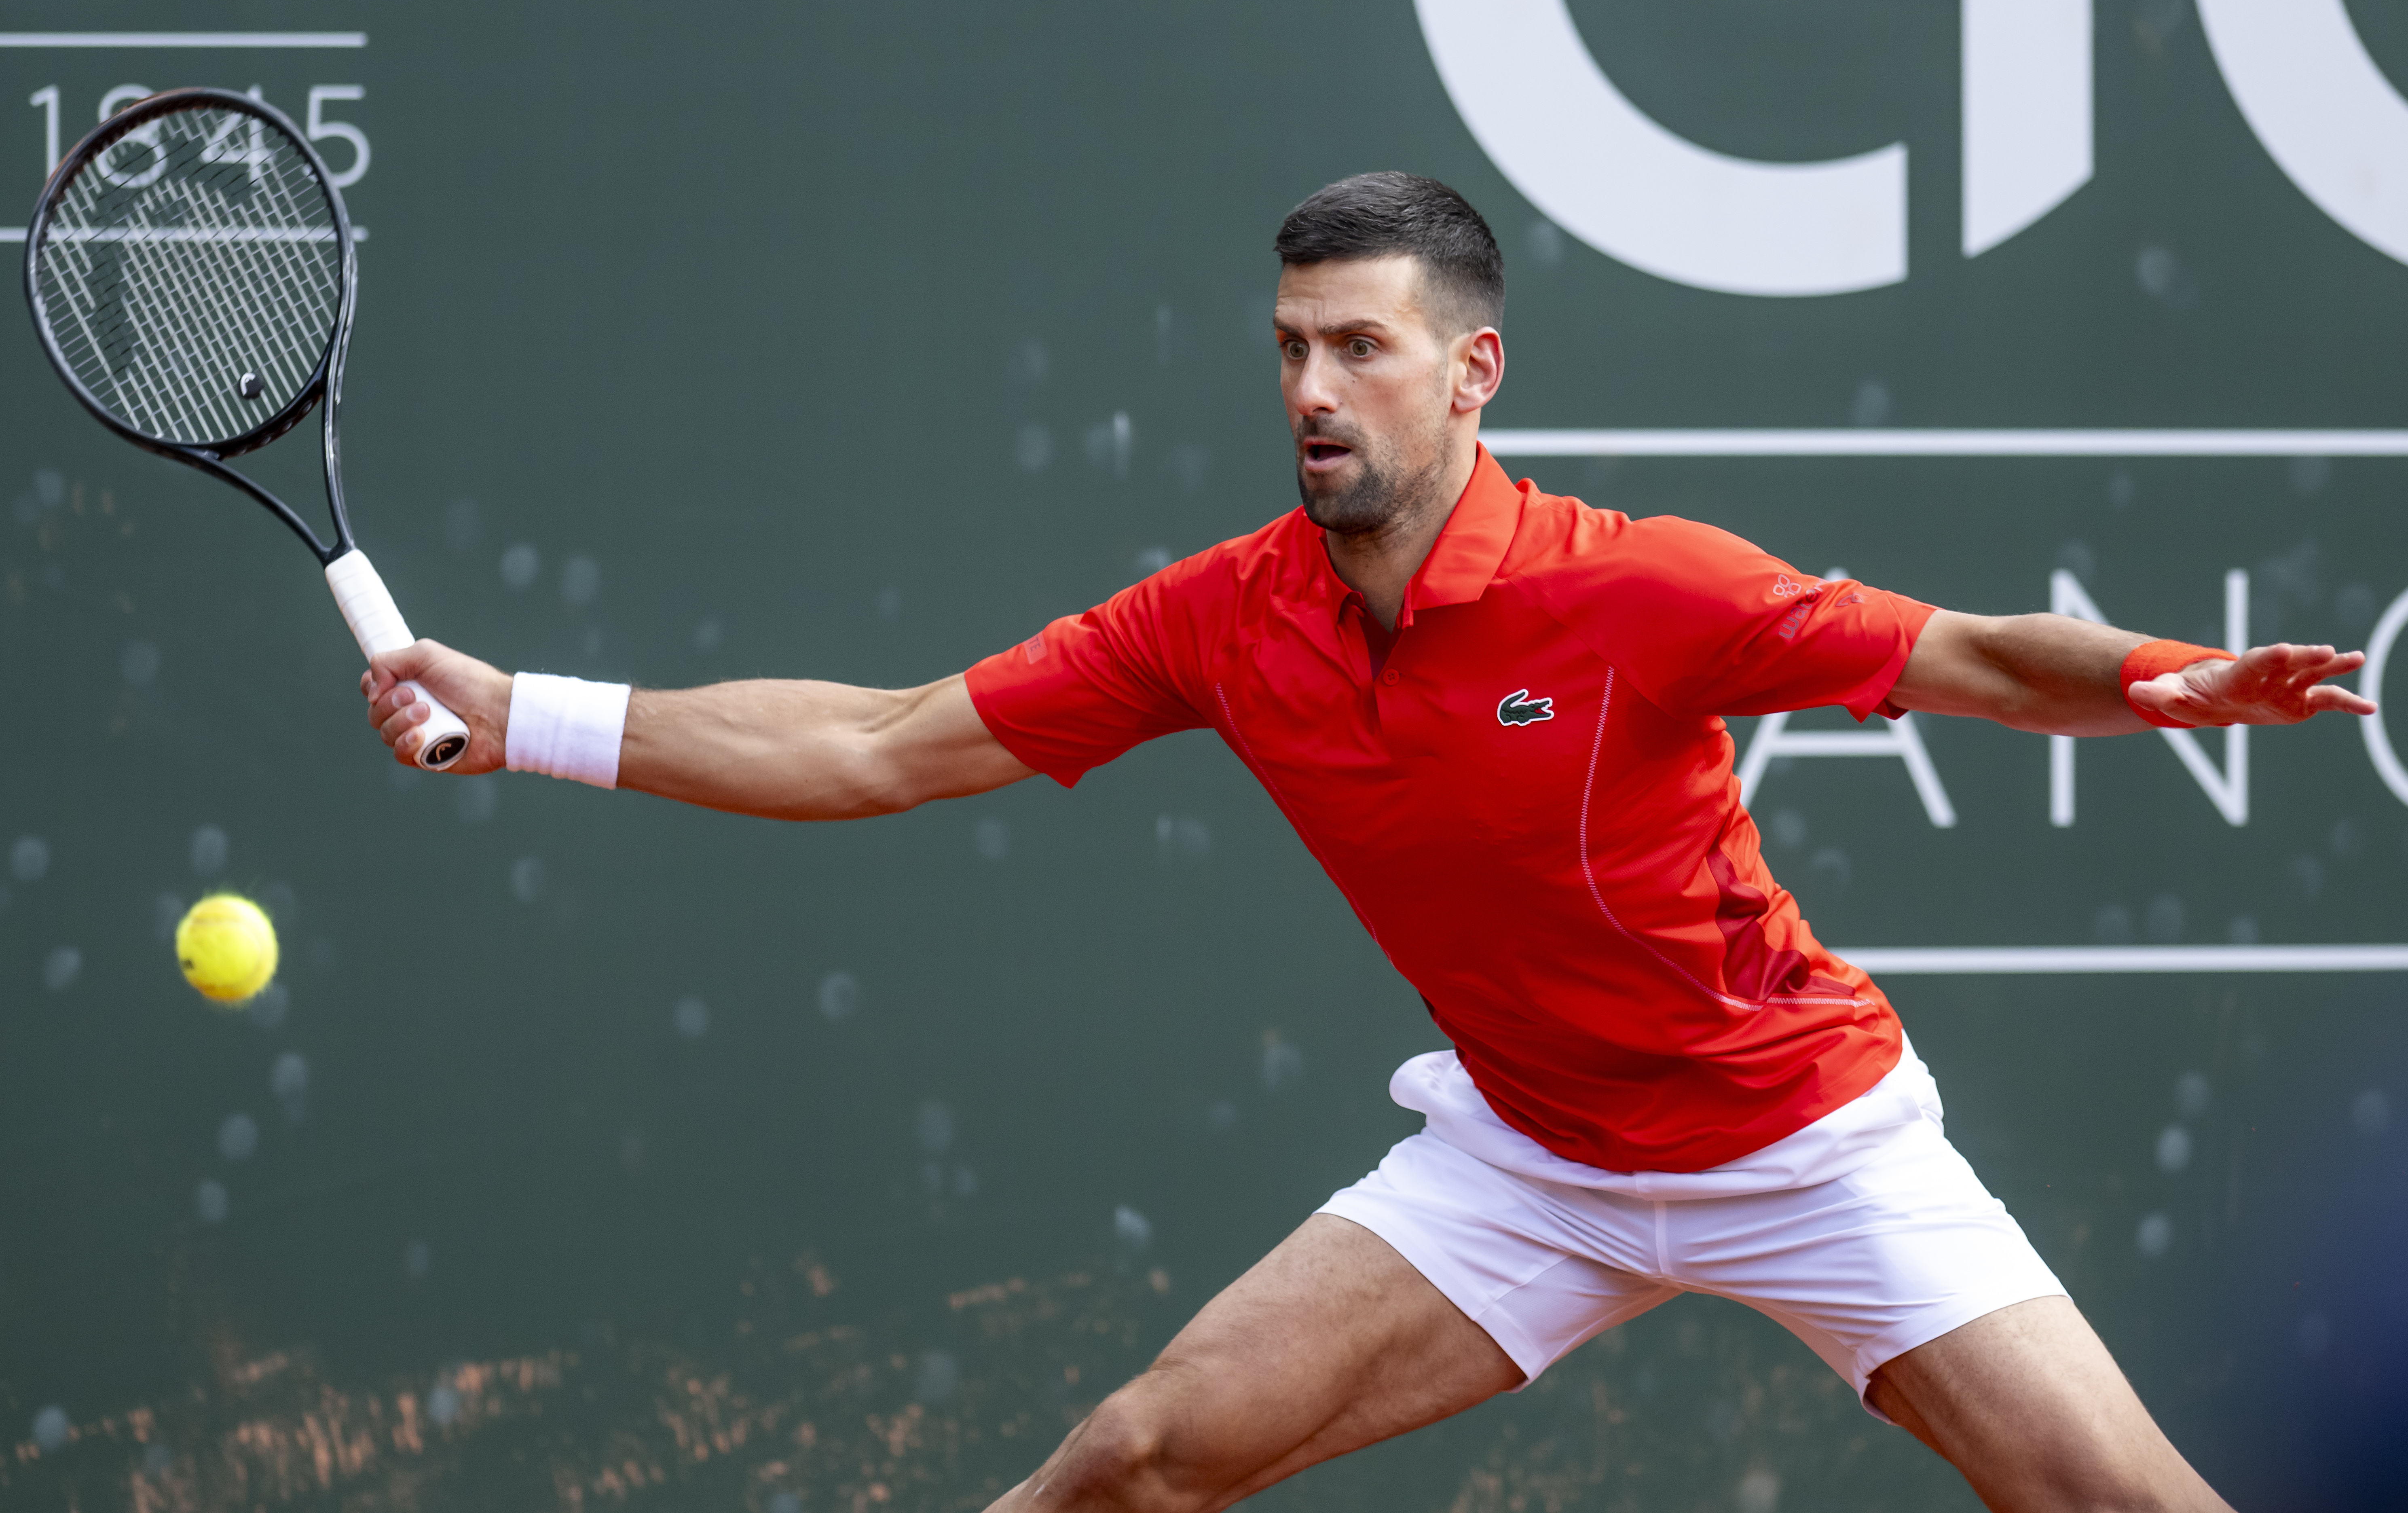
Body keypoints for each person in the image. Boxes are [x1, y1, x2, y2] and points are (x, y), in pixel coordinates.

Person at [364, 173, 2371, 1511]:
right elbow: (884, 745)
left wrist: (2165, 677)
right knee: (1133, 1461)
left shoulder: (1636, 586)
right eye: (1290, 353)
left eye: (1361, 351)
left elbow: (1966, 654)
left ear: (1471, 372)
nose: (1313, 391)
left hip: (1808, 1150)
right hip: (1530, 1165)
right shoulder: (1225, 618)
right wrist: (524, 718)